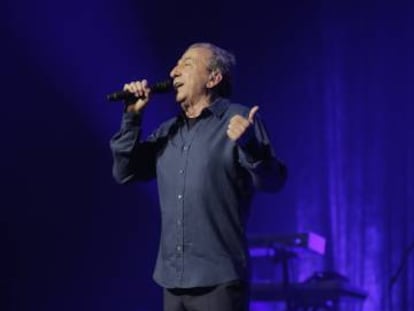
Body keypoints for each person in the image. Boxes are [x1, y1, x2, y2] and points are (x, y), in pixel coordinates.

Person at [110, 42, 287, 311]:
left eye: (187, 64)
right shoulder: (168, 131)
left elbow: (274, 181)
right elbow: (125, 172)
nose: (173, 72)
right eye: (176, 65)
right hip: (172, 280)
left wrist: (250, 146)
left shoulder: (238, 119)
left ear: (214, 77)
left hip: (219, 281)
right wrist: (132, 117)